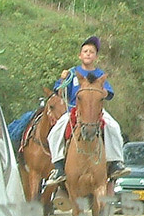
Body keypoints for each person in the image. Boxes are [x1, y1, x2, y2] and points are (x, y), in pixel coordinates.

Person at [46, 35, 128, 185]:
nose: (88, 53)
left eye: (91, 51)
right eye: (85, 51)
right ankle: (58, 166)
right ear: (80, 55)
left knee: (114, 127)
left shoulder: (99, 75)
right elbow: (59, 91)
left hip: (96, 111)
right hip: (74, 110)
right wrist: (63, 81)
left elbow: (108, 93)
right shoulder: (72, 73)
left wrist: (103, 93)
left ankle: (116, 161)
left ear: (96, 56)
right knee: (55, 132)